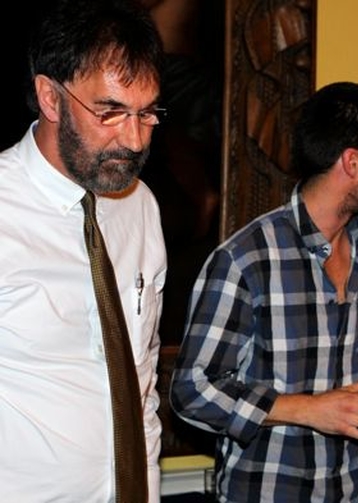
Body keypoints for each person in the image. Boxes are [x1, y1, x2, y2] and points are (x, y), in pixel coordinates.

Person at [170, 81, 358, 502]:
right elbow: (192, 389)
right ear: (353, 163)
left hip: (356, 492)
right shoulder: (246, 259)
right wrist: (309, 409)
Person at [0, 0, 167, 501]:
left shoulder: (140, 206)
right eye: (111, 112)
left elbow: (142, 377)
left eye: (148, 113)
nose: (134, 139)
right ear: (50, 97)